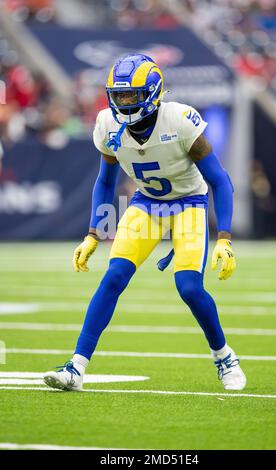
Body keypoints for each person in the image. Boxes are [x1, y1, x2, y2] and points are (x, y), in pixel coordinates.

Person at [43, 53, 246, 392]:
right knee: (114, 276)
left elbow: (219, 180)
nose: (122, 102)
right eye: (118, 95)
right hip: (146, 204)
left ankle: (224, 356)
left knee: (190, 289)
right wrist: (93, 233)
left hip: (188, 204)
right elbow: (106, 182)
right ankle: (76, 368)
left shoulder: (179, 120)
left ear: (152, 92)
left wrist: (224, 236)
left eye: (130, 95)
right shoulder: (108, 124)